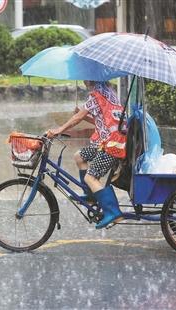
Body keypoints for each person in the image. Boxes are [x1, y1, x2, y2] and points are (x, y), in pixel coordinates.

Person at [46, 80, 125, 229]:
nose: (83, 81)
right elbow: (101, 120)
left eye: (85, 78)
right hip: (108, 141)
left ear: (90, 79)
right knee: (79, 156)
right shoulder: (109, 93)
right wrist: (84, 115)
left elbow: (77, 119)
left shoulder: (95, 95)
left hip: (110, 145)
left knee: (91, 177)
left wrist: (59, 130)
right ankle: (91, 195)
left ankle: (113, 212)